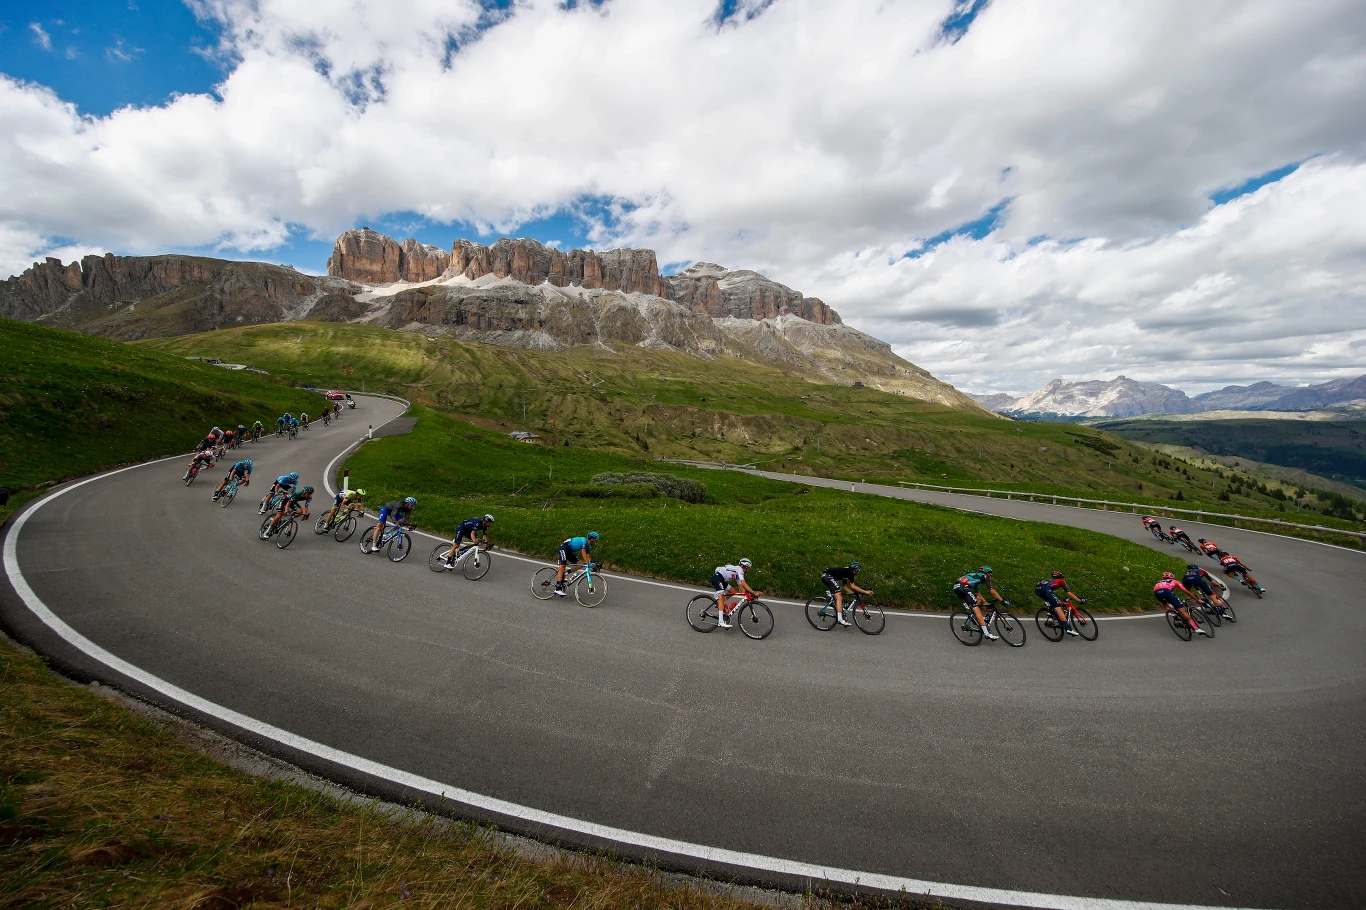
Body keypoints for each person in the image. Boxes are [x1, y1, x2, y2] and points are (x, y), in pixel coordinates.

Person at [953, 566, 1004, 641]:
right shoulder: (984, 576)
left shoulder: (975, 580)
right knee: (977, 609)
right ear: (987, 573)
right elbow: (992, 591)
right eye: (990, 574)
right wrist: (1002, 600)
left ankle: (974, 616)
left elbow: (979, 595)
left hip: (957, 588)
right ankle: (987, 634)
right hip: (963, 588)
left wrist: (986, 604)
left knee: (977, 600)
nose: (990, 576)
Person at [1153, 571, 1210, 635]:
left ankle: (1172, 613)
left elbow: (1160, 592)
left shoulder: (1158, 583)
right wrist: (1197, 600)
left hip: (1157, 592)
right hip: (1167, 592)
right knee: (1183, 611)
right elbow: (1186, 591)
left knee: (1164, 603)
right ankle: (1196, 628)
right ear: (1172, 577)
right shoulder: (1174, 581)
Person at [820, 562, 873, 628]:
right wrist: (865, 592)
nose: (857, 573)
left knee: (838, 596)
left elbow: (845, 587)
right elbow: (853, 586)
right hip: (828, 576)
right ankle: (840, 619)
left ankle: (834, 602)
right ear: (855, 569)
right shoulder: (850, 572)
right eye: (858, 571)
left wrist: (853, 594)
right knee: (839, 596)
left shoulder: (846, 572)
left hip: (826, 576)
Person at [1035, 571, 1086, 636]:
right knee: (1059, 609)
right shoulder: (1061, 581)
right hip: (1046, 591)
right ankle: (1068, 629)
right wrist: (1080, 600)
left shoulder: (1049, 580)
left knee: (1055, 602)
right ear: (1061, 577)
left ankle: (1051, 615)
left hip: (1038, 590)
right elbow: (1069, 593)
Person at [711, 558, 760, 629]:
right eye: (749, 568)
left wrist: (749, 596)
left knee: (733, 591)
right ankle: (721, 622)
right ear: (746, 567)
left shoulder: (738, 575)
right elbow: (744, 583)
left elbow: (742, 588)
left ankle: (719, 603)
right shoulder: (739, 569)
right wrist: (753, 592)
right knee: (721, 597)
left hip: (721, 579)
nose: (749, 570)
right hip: (717, 578)